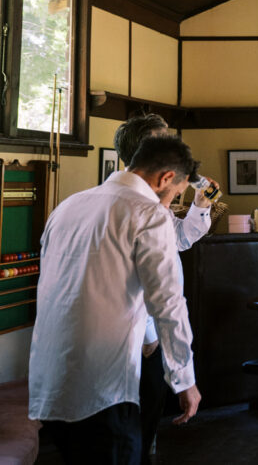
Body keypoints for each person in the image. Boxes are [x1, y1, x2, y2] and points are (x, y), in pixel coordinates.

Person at [28, 136, 202, 464]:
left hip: (50, 383)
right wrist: (185, 379)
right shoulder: (147, 213)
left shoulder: (68, 205)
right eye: (176, 193)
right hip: (104, 387)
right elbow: (167, 303)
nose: (171, 201)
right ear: (166, 178)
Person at [114, 113, 220, 462]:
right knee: (130, 435)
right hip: (136, 341)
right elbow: (135, 285)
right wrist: (149, 336)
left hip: (153, 341)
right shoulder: (124, 206)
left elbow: (181, 238)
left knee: (144, 432)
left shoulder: (153, 207)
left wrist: (201, 206)